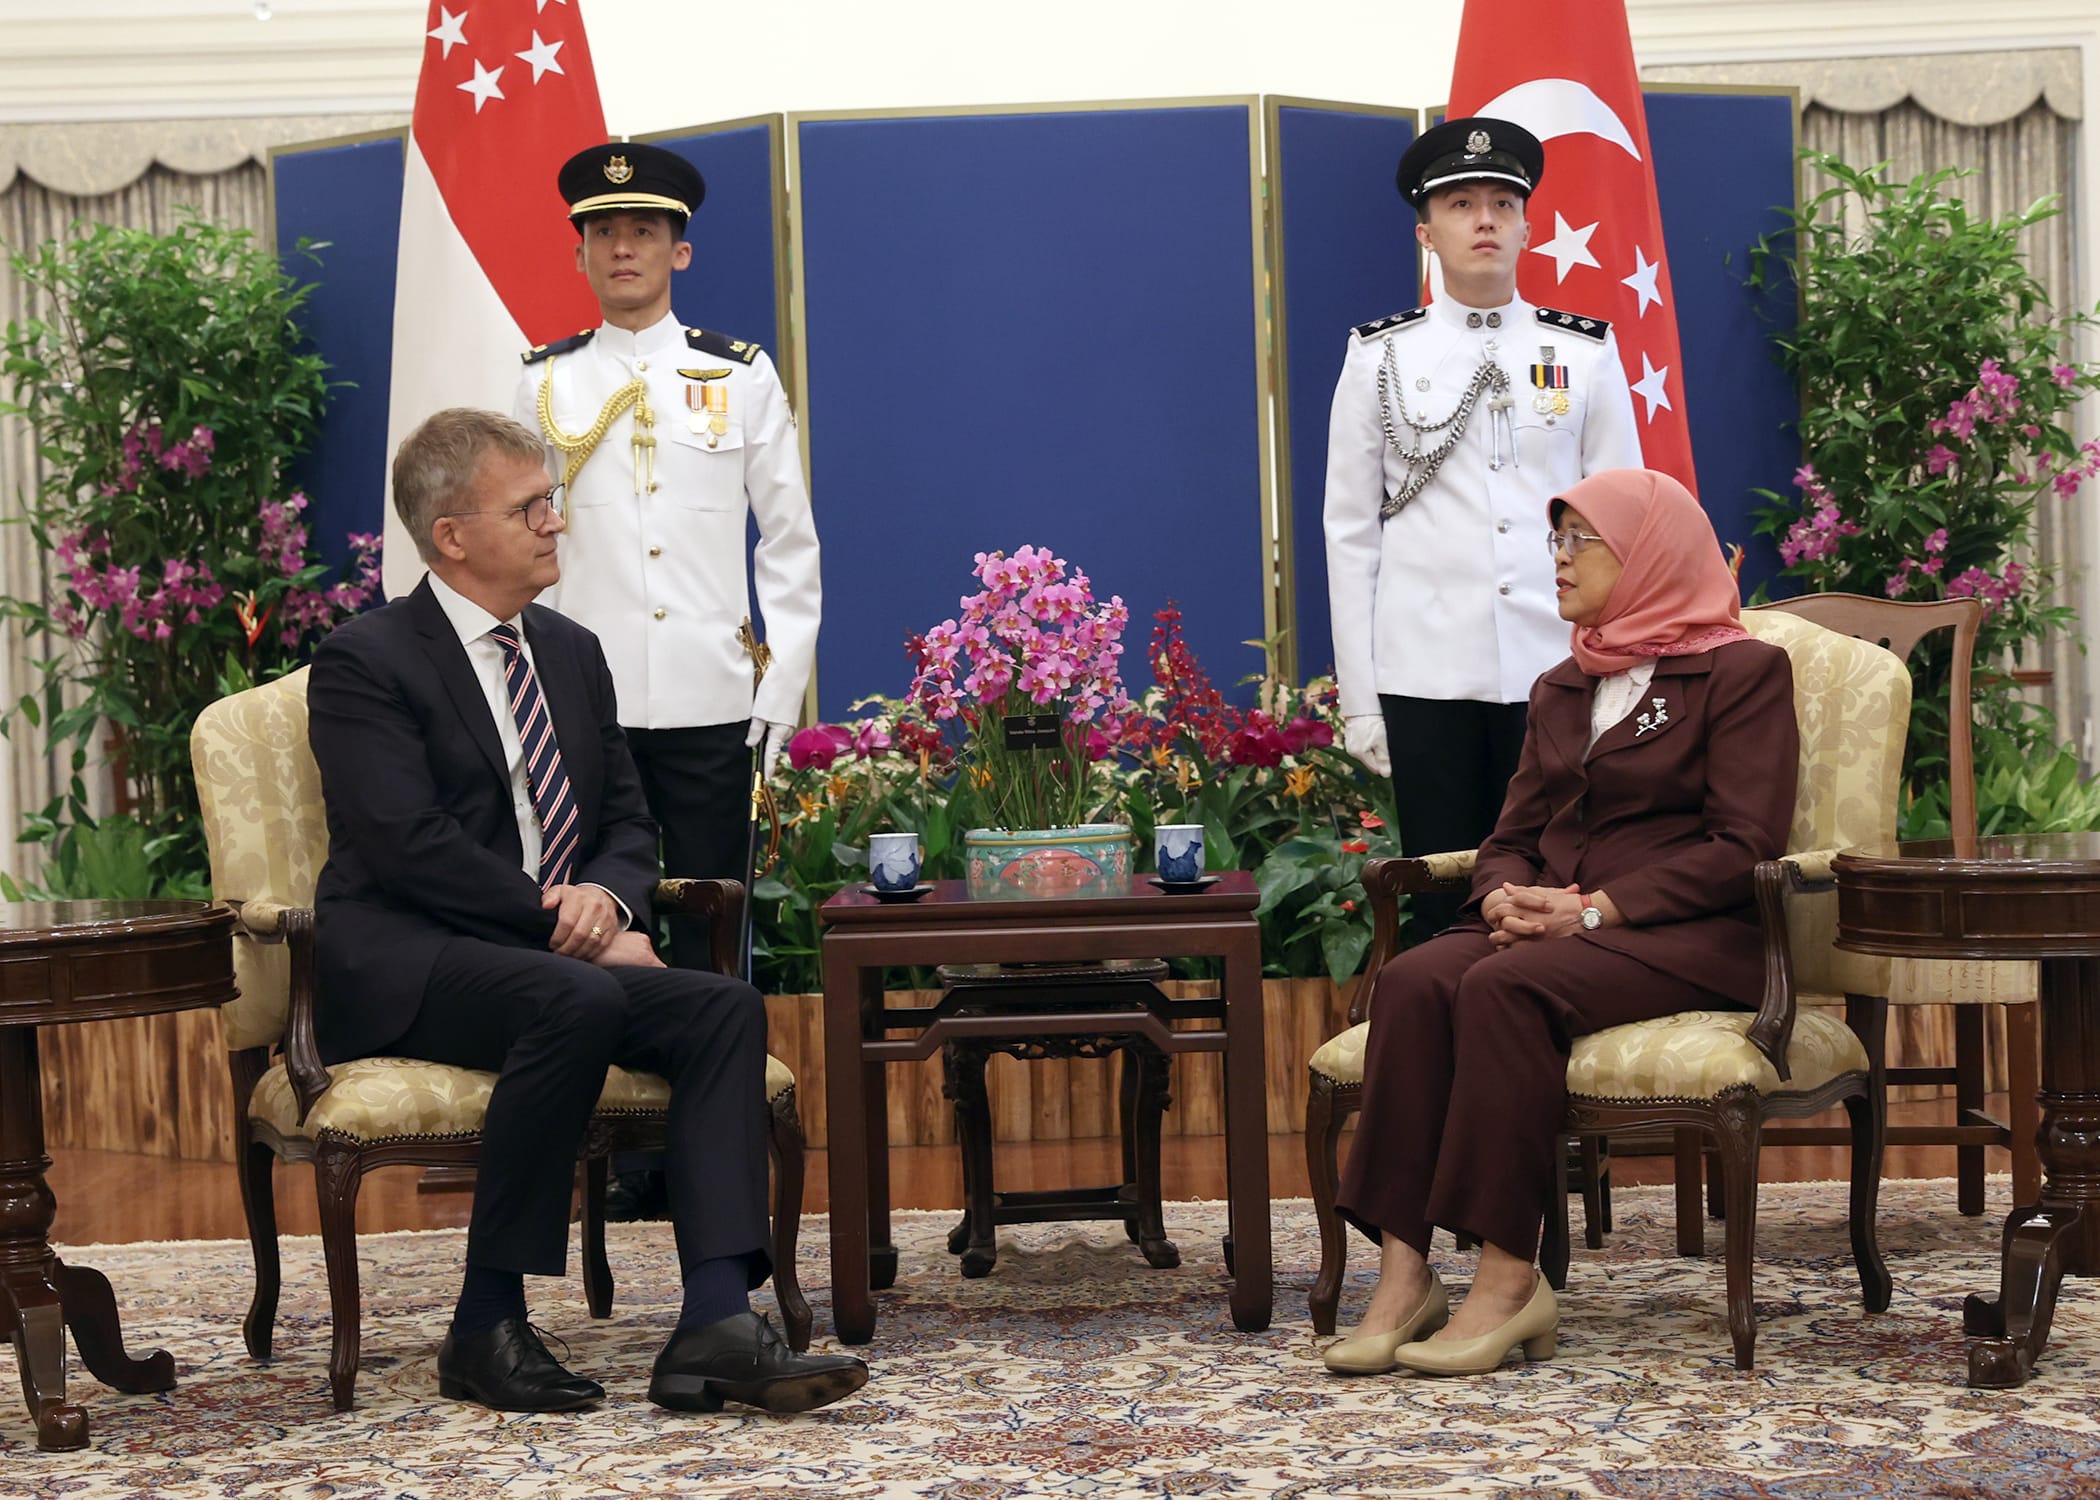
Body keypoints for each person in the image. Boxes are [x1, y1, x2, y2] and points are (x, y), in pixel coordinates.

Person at [307, 407, 867, 1415]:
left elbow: (623, 818)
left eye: (550, 503)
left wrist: (605, 902)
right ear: (452, 536)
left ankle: (713, 1325)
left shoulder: (569, 650)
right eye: (529, 508)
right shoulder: (367, 660)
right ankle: (484, 1322)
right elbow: (405, 844)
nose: (553, 524)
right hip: (414, 961)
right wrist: (555, 922)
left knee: (720, 1010)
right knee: (577, 1001)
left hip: (557, 962)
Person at [1323, 466, 1797, 1378]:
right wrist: (1503, 894)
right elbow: (1512, 836)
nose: (1561, 558)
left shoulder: (1740, 672)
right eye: (1558, 539)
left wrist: (1592, 908)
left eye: (1583, 539)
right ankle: (1404, 1272)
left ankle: (1509, 1276)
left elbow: (1745, 844)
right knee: (1417, 979)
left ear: (1650, 553)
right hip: (1558, 924)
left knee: (1505, 985)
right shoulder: (1564, 684)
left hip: (1687, 935)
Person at [515, 141, 821, 1220]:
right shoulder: (540, 381)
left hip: (706, 701)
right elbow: (519, 557)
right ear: (584, 254)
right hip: (579, 712)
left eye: (644, 230)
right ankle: (612, 1156)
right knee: (586, 928)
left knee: (708, 931)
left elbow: (789, 545)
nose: (624, 246)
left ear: (679, 250)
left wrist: (772, 701)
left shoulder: (737, 376)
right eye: (604, 232)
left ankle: (711, 1149)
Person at [1323, 116, 1643, 939]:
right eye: (1462, 204)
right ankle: (1449, 1056)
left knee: (1559, 887)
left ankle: (1556, 1061)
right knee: (1445, 902)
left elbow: (1625, 522)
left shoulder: (1585, 353)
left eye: (1504, 202)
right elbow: (1351, 533)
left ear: (1531, 226)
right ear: (1427, 232)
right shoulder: (1378, 356)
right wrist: (1362, 702)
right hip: (1426, 672)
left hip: (1561, 666)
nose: (1486, 220)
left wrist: (1629, 667)